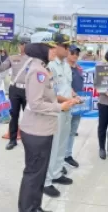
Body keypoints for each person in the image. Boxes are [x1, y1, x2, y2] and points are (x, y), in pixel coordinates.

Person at [18, 31, 73, 212]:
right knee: (34, 174)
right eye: (49, 47)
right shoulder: (38, 71)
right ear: (41, 48)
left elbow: (46, 97)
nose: (53, 50)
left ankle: (35, 207)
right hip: (36, 131)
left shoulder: (42, 67)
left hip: (42, 129)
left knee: (39, 173)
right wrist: (60, 107)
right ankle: (28, 209)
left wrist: (63, 101)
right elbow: (35, 104)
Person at [43, 33, 81, 198]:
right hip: (56, 109)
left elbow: (67, 85)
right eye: (65, 47)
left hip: (67, 108)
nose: (68, 49)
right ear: (55, 46)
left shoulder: (66, 65)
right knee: (52, 146)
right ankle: (46, 181)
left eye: (68, 46)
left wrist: (74, 96)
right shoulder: (50, 66)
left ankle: (57, 173)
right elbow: (50, 93)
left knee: (62, 144)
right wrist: (69, 100)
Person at [0, 33, 31, 150]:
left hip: (29, 90)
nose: (23, 46)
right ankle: (12, 140)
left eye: (26, 44)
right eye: (22, 43)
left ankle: (28, 140)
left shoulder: (35, 60)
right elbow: (0, 68)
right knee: (13, 115)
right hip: (14, 89)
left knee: (29, 116)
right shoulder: (13, 57)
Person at [64, 44, 83, 168]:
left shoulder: (78, 68)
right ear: (67, 53)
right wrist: (73, 95)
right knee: (63, 132)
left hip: (78, 104)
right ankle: (59, 160)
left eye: (77, 53)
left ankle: (68, 155)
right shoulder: (63, 68)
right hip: (66, 103)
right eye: (72, 53)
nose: (75, 55)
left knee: (72, 131)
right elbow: (63, 85)